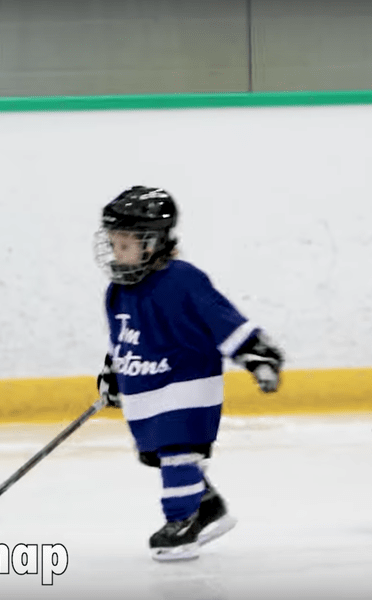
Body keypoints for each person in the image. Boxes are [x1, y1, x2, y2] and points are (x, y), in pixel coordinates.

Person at [93, 185, 283, 561]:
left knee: (178, 450)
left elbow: (221, 318)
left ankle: (181, 523)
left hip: (188, 383)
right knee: (157, 455)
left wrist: (256, 354)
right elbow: (123, 340)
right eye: (114, 243)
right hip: (146, 386)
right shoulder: (118, 290)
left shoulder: (182, 279)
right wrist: (114, 374)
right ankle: (210, 508)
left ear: (152, 242)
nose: (117, 252)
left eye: (125, 244)